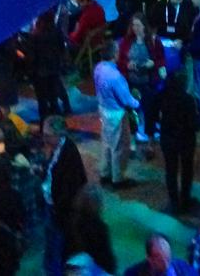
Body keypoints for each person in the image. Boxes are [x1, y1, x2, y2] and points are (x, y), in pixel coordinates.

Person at [43, 115, 89, 276]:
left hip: (60, 213)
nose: (45, 138)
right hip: (55, 207)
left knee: (57, 246)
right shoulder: (58, 149)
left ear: (59, 134)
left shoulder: (68, 154)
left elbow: (70, 189)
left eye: (48, 135)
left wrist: (57, 209)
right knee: (53, 245)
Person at [94, 41, 141, 187]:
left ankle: (105, 173)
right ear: (115, 54)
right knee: (119, 147)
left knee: (107, 143)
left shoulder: (98, 67)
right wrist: (138, 102)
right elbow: (126, 99)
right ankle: (118, 178)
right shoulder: (115, 76)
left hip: (103, 108)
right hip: (116, 114)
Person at [118, 13, 167, 142]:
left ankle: (150, 139)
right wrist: (127, 64)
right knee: (132, 111)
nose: (135, 28)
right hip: (131, 82)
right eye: (133, 25)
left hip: (148, 82)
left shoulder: (154, 41)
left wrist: (153, 64)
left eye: (138, 25)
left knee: (149, 110)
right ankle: (134, 139)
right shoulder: (127, 41)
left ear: (145, 25)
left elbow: (162, 60)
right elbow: (120, 59)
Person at [160, 69, 200, 213]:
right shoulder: (188, 99)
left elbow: (153, 113)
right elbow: (193, 123)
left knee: (170, 170)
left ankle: (174, 201)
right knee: (187, 169)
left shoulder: (163, 95)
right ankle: (185, 199)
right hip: (186, 140)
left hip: (167, 138)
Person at [68, 185, 117, 276]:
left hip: (76, 266)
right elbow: (105, 257)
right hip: (94, 268)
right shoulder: (99, 228)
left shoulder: (73, 221)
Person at [122, 233, 198, 276]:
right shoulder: (133, 273)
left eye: (168, 259)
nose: (166, 265)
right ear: (149, 258)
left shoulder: (184, 270)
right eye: (160, 260)